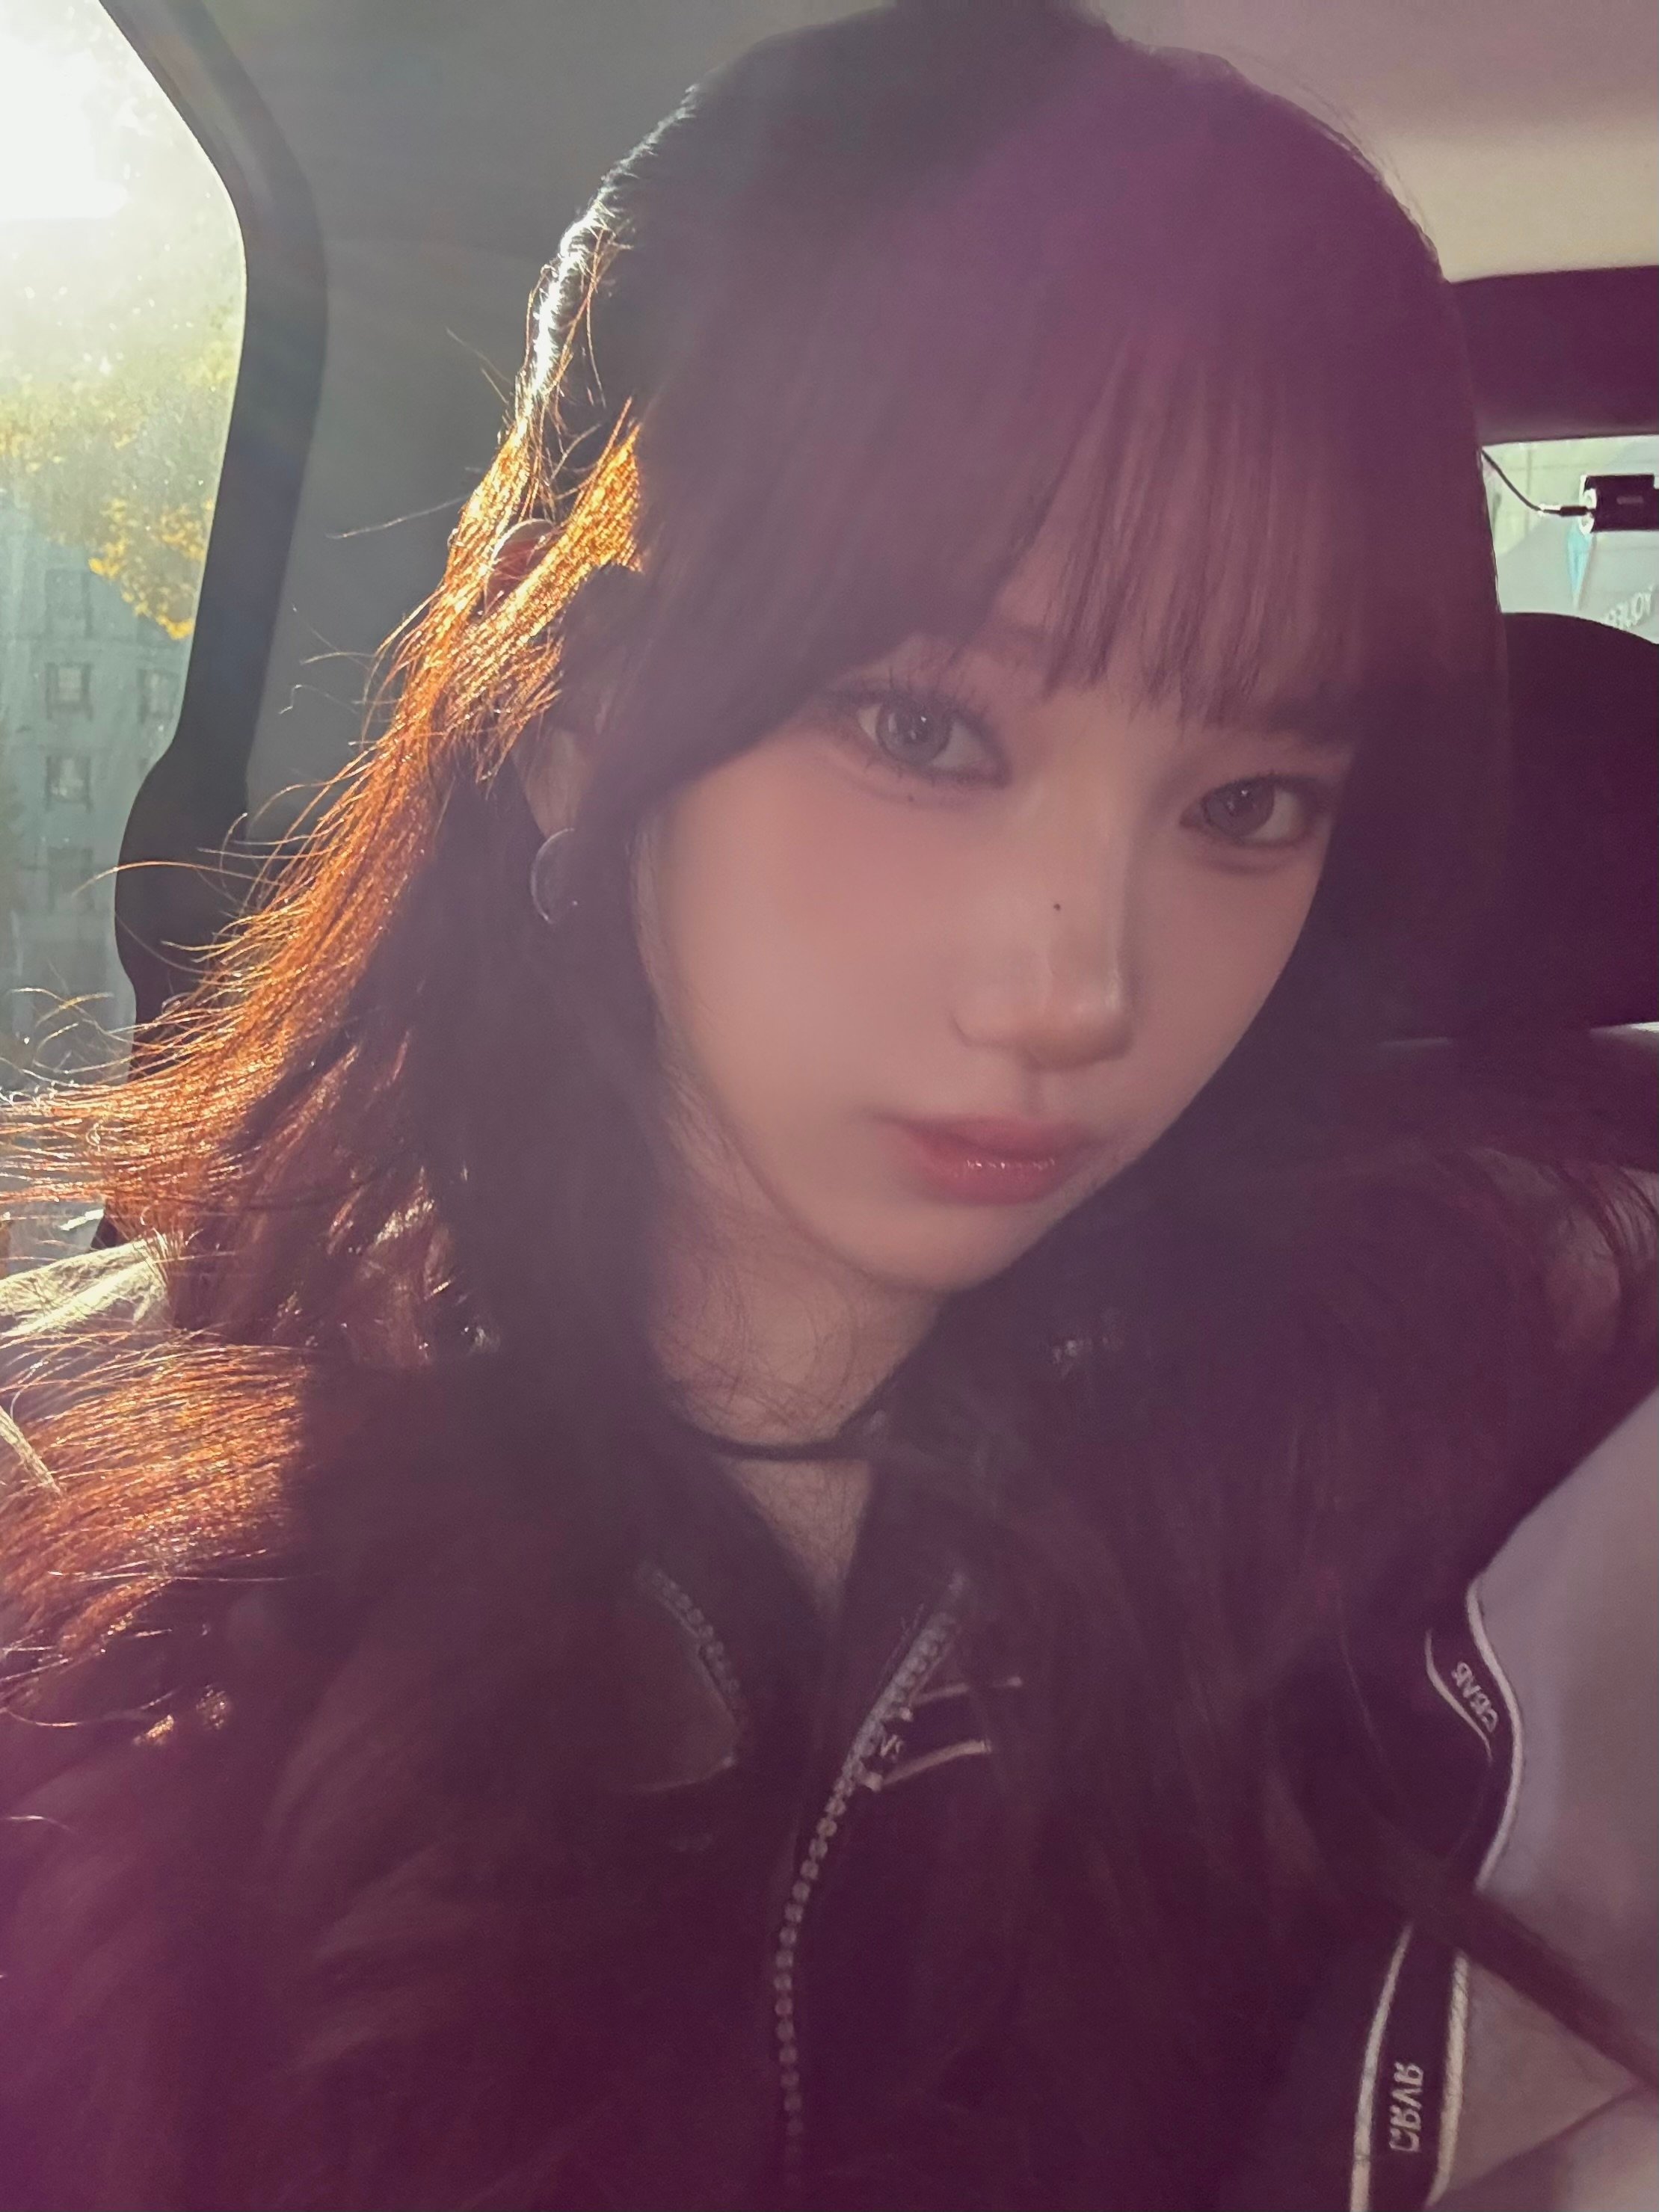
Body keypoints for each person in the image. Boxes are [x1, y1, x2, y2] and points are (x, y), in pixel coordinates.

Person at [0, 4, 1652, 2208]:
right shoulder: (96, 1509)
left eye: (1249, 803)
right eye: (923, 733)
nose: (1076, 988)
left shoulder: (1474, 1493)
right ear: (582, 723)